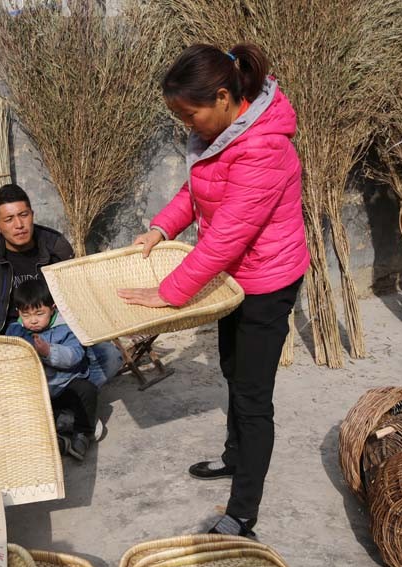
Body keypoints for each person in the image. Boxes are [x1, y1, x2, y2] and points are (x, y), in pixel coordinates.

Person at [118, 43, 309, 538]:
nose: (188, 124)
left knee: (252, 397)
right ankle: (233, 457)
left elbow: (227, 236)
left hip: (268, 281)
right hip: (235, 278)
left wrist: (170, 291)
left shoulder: (263, 147)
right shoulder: (220, 135)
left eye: (190, 114)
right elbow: (195, 192)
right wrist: (161, 228)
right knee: (231, 369)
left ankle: (243, 513)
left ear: (223, 97)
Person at [0, 183, 123, 387]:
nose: (19, 225)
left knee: (110, 357)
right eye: (9, 219)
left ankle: (51, 391)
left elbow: (76, 297)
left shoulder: (55, 248)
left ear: (32, 214)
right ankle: (63, 390)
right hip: (13, 340)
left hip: (58, 332)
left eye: (23, 215)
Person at [5, 279, 98, 461]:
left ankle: (83, 433)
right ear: (18, 312)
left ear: (52, 308)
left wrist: (49, 351)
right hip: (36, 391)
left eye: (39, 313)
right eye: (26, 315)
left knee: (87, 391)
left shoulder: (66, 327)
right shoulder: (15, 330)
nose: (33, 320)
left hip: (64, 384)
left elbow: (75, 355)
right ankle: (58, 434)